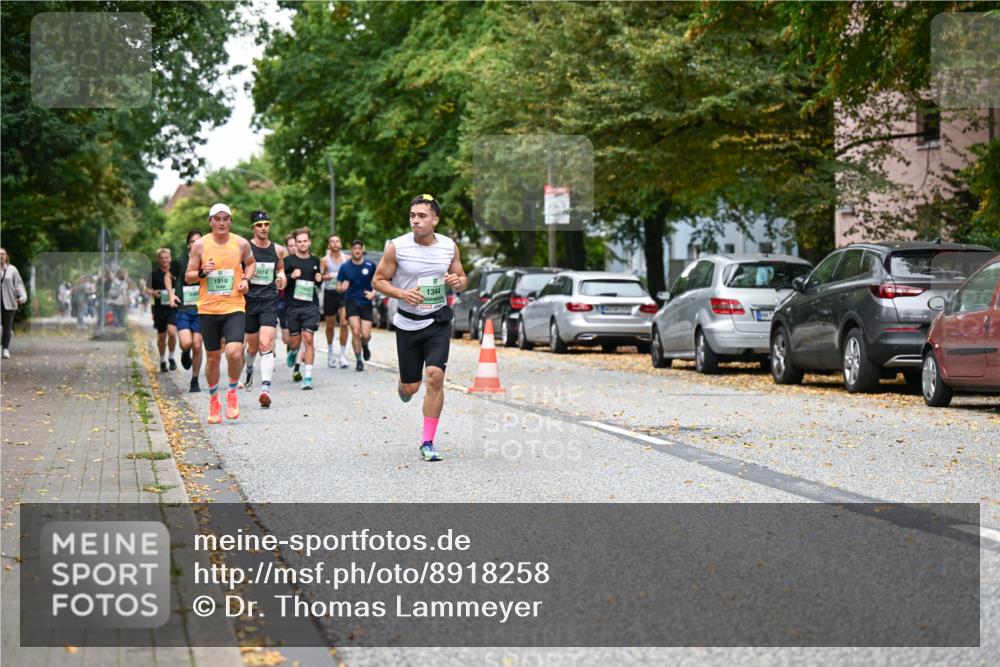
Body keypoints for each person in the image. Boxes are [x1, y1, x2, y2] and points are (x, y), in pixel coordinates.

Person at [372, 194, 467, 462]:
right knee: (412, 387)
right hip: (407, 323)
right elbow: (378, 281)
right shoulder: (397, 247)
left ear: (435, 220)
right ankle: (403, 384)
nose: (416, 220)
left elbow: (462, 277)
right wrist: (402, 294)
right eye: (413, 215)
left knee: (435, 376)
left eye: (422, 216)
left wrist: (456, 281)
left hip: (437, 320)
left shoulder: (449, 246)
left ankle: (428, 441)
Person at [185, 203, 256, 424]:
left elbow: (251, 263)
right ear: (210, 222)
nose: (222, 222)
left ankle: (232, 391)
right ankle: (214, 399)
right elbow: (188, 276)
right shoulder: (200, 245)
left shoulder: (241, 243)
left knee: (234, 352)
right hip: (208, 308)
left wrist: (245, 279)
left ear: (231, 221)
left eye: (226, 218)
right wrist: (201, 272)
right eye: (217, 218)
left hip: (234, 305)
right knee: (213, 357)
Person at [242, 210, 287, 406]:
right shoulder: (246, 248)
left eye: (266, 224)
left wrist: (282, 277)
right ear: (253, 228)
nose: (263, 228)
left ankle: (265, 390)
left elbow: (280, 269)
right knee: (252, 348)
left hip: (269, 301)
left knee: (265, 344)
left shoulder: (277, 250)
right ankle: (250, 368)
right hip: (250, 302)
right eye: (259, 225)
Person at [283, 227, 322, 389]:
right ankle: (293, 352)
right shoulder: (288, 261)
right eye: (299, 242)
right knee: (295, 342)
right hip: (293, 307)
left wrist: (319, 279)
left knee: (308, 339)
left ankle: (308, 377)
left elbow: (317, 279)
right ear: (295, 244)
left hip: (310, 306)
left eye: (305, 241)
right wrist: (291, 276)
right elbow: (281, 282)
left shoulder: (315, 261)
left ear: (310, 242)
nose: (302, 244)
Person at [337, 240, 377, 372]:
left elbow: (379, 282)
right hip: (351, 302)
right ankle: (359, 361)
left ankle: (365, 345)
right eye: (355, 248)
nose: (357, 250)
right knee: (356, 331)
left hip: (366, 303)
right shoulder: (345, 267)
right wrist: (342, 288)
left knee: (365, 335)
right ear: (352, 250)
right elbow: (338, 287)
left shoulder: (370, 265)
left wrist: (373, 293)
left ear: (362, 250)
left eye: (360, 248)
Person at [174, 230, 205, 392]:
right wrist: (172, 294)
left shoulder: (207, 260)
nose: (197, 244)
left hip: (201, 309)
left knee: (197, 345)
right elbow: (167, 276)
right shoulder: (180, 261)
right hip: (184, 309)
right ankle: (185, 352)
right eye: (193, 241)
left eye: (200, 241)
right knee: (186, 343)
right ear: (188, 244)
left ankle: (195, 379)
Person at [321, 235, 350, 369]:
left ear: (341, 243)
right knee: (330, 325)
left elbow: (351, 275)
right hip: (330, 293)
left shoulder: (347, 259)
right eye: (332, 241)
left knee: (344, 323)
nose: (335, 243)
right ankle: (330, 352)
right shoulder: (325, 261)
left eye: (337, 241)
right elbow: (319, 276)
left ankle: (343, 355)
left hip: (343, 294)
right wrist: (324, 277)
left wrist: (347, 282)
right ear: (329, 244)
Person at [149, 248, 179, 372]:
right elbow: (145, 289)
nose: (165, 260)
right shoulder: (153, 274)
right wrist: (152, 292)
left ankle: (171, 357)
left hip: (173, 307)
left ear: (170, 258)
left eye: (167, 257)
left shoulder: (175, 273)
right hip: (159, 308)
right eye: (162, 258)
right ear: (159, 260)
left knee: (172, 333)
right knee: (162, 336)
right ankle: (162, 360)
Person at [0, 248, 28, 359]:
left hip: (9, 302)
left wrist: (22, 297)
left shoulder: (12, 270)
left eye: (3, 254)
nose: (1, 256)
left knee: (7, 327)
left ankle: (5, 349)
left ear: (6, 256)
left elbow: (19, 285)